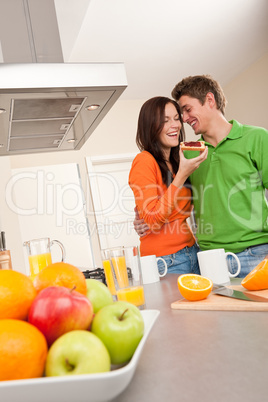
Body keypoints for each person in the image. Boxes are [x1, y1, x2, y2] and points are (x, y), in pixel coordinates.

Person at [134, 75, 268, 277]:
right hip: (208, 259)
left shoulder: (256, 138)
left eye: (186, 111)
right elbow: (160, 203)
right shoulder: (186, 155)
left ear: (210, 100)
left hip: (256, 253)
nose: (184, 120)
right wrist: (141, 218)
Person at [129, 96, 208, 274]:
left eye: (176, 118)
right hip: (165, 261)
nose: (175, 125)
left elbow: (176, 212)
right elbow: (153, 220)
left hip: (192, 252)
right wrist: (181, 176)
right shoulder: (144, 161)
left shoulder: (178, 160)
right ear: (150, 127)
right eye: (165, 121)